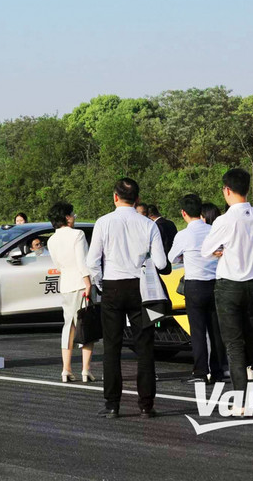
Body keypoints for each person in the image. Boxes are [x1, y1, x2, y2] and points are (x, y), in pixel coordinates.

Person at [87, 178, 166, 419]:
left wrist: (100, 285)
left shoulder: (103, 222)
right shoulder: (149, 225)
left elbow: (92, 262)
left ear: (114, 197)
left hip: (112, 286)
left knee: (112, 347)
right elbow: (162, 263)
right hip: (140, 288)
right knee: (145, 347)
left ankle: (112, 404)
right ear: (138, 199)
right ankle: (146, 404)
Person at [201, 168, 253, 414]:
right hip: (252, 284)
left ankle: (240, 403)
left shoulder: (225, 220)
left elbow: (206, 250)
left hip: (229, 285)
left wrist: (220, 250)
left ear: (227, 190)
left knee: (234, 346)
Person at [167, 194, 226, 384]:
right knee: (216, 329)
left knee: (198, 330)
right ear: (201, 210)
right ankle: (218, 371)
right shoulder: (213, 230)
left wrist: (185, 257)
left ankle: (201, 372)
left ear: (183, 213)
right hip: (215, 284)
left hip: (195, 286)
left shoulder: (184, 235)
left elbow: (171, 259)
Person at [46, 201, 95, 383]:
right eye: (73, 214)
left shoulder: (51, 240)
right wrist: (88, 283)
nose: (75, 217)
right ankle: (85, 369)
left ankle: (66, 369)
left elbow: (57, 265)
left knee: (69, 326)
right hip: (81, 284)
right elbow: (83, 262)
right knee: (86, 325)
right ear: (67, 217)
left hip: (65, 284)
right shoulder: (78, 234)